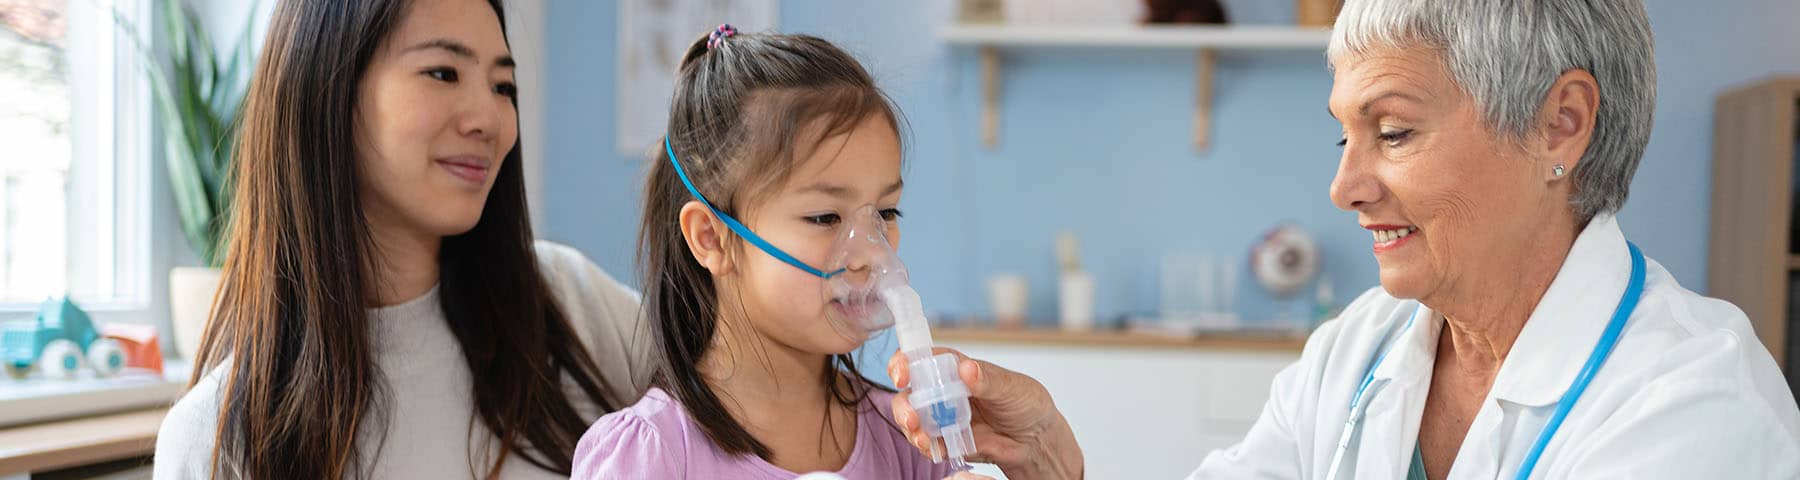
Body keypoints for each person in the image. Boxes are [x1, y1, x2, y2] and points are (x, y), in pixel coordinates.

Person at [888, 0, 1800, 478]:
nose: (1344, 187)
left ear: (1559, 125)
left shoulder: (1698, 408)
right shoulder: (1359, 351)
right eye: (1344, 134)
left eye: (1393, 132)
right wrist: (1054, 464)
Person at [154, 1, 653, 478]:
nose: (490, 119)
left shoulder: (568, 300)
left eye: (503, 85)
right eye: (443, 73)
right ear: (329, 87)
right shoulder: (215, 441)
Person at [571, 26, 954, 479]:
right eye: (826, 217)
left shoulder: (906, 438)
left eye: (886, 213)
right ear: (711, 238)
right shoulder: (652, 456)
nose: (871, 254)